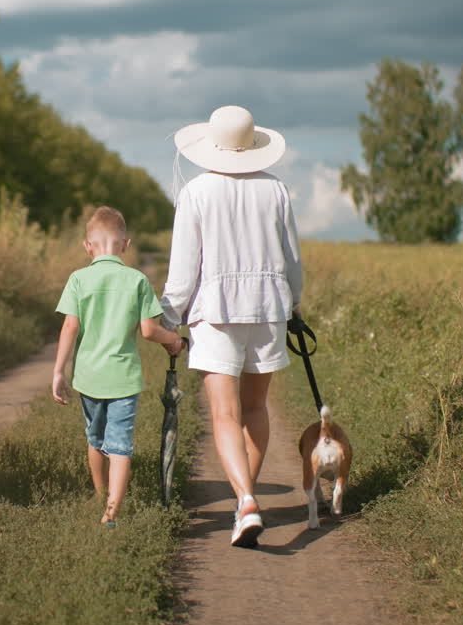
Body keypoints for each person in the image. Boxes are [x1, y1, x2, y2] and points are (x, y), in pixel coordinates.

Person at [160, 105, 303, 548]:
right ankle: (247, 500)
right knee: (256, 408)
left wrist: (169, 320)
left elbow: (185, 269)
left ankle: (245, 501)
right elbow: (292, 257)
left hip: (216, 310)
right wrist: (294, 304)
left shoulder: (197, 192)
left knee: (225, 412)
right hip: (268, 307)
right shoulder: (276, 189)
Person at [51, 207, 186, 528]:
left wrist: (58, 371)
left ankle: (100, 495)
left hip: (88, 376)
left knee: (95, 439)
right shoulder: (137, 280)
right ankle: (111, 512)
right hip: (124, 378)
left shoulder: (78, 279)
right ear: (125, 245)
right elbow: (149, 330)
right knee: (121, 445)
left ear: (88, 246)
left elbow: (70, 327)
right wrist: (174, 341)